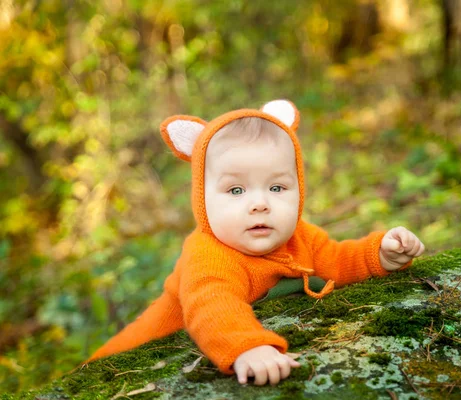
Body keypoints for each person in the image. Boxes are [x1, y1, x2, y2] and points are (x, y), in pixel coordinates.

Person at [86, 100, 425, 386]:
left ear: (298, 189)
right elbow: (211, 304)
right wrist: (247, 346)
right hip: (142, 350)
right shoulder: (210, 255)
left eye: (277, 188)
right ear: (203, 199)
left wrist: (379, 253)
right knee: (96, 371)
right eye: (236, 191)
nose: (260, 203)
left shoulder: (298, 237)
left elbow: (334, 259)